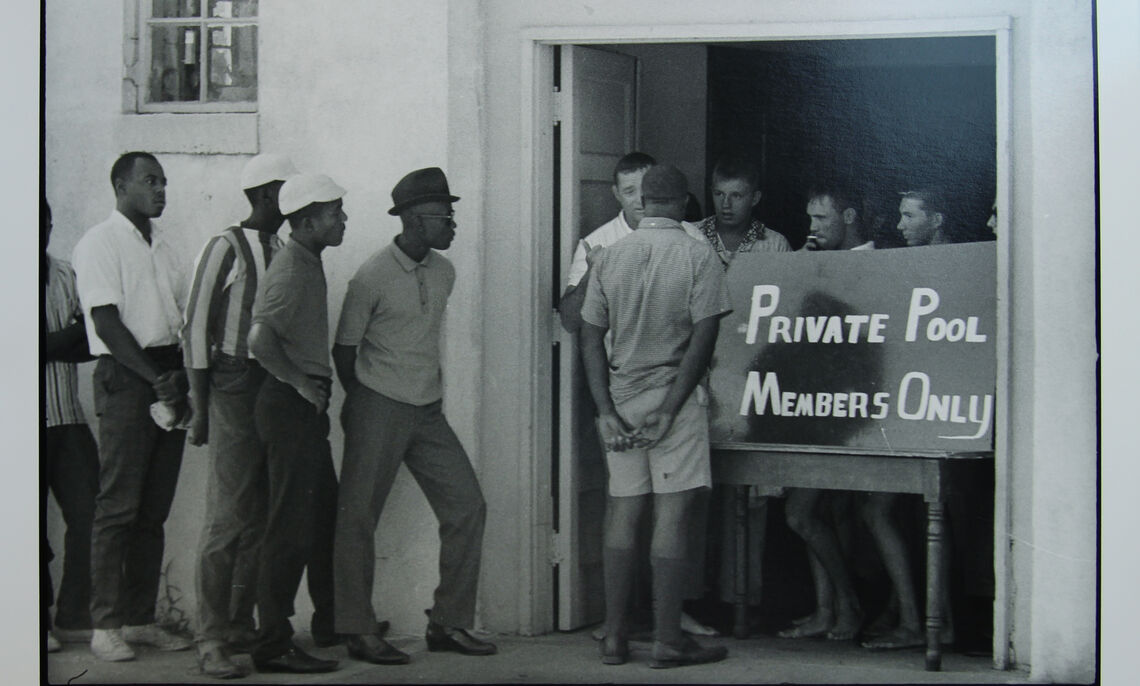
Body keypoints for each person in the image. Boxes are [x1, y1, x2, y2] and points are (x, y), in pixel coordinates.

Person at [332, 167, 496, 665]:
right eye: (443, 215)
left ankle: (447, 623)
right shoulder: (371, 276)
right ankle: (358, 630)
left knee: (468, 506)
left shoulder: (445, 271)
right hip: (377, 406)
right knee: (357, 518)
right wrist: (365, 404)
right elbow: (345, 351)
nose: (452, 224)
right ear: (411, 219)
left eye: (452, 214)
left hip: (427, 411)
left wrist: (428, 394)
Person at [559, 152, 716, 639]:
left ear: (643, 200)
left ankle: (614, 633)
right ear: (686, 202)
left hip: (621, 396)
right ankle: (669, 641)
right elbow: (703, 339)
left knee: (623, 510)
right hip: (674, 396)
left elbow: (586, 333)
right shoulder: (698, 253)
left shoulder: (611, 254)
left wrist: (604, 409)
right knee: (672, 513)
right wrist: (670, 409)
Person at [181, 154, 306, 678]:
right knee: (227, 517)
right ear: (264, 194)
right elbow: (194, 330)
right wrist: (199, 406)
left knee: (258, 515)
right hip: (231, 383)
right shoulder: (225, 246)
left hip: (268, 384)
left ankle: (238, 624)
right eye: (284, 191)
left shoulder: (281, 248)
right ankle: (210, 636)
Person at [72, 151, 194, 662]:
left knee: (152, 510)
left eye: (164, 181)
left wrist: (179, 378)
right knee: (117, 507)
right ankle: (105, 625)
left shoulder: (165, 246)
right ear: (121, 185)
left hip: (169, 374)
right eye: (150, 181)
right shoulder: (100, 243)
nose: (160, 190)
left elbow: (183, 319)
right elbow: (105, 323)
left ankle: (141, 618)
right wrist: (155, 380)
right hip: (128, 376)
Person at [245, 173, 347, 674]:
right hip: (288, 408)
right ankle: (272, 643)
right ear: (307, 222)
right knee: (289, 528)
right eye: (335, 213)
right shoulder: (290, 270)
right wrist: (302, 385)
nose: (343, 219)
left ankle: (331, 621)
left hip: (302, 410)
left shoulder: (308, 259)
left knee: (324, 517)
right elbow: (260, 340)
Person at [777, 186, 868, 642]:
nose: (812, 228)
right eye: (809, 218)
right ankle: (826, 610)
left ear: (848, 216)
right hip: (814, 408)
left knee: (802, 513)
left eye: (821, 219)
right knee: (823, 515)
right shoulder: (816, 259)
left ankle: (847, 604)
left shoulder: (871, 262)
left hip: (848, 411)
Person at [42, 198, 99, 654]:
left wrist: (43, 343)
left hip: (67, 417)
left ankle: (74, 614)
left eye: (44, 220)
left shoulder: (65, 274)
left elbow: (90, 341)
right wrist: (61, 339)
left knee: (90, 514)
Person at [694, 155, 792, 266]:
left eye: (736, 196)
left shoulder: (775, 245)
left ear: (755, 198)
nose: (726, 204)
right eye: (719, 194)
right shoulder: (692, 235)